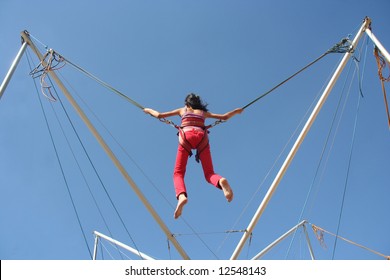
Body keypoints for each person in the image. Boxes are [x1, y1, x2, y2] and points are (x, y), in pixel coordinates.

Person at [144, 93, 243, 219]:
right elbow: (224, 117)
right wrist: (236, 111)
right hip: (202, 137)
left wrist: (148, 110)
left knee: (178, 173)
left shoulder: (182, 110)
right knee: (209, 173)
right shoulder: (202, 112)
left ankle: (181, 196)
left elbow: (159, 115)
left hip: (186, 136)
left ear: (187, 103)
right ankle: (221, 181)